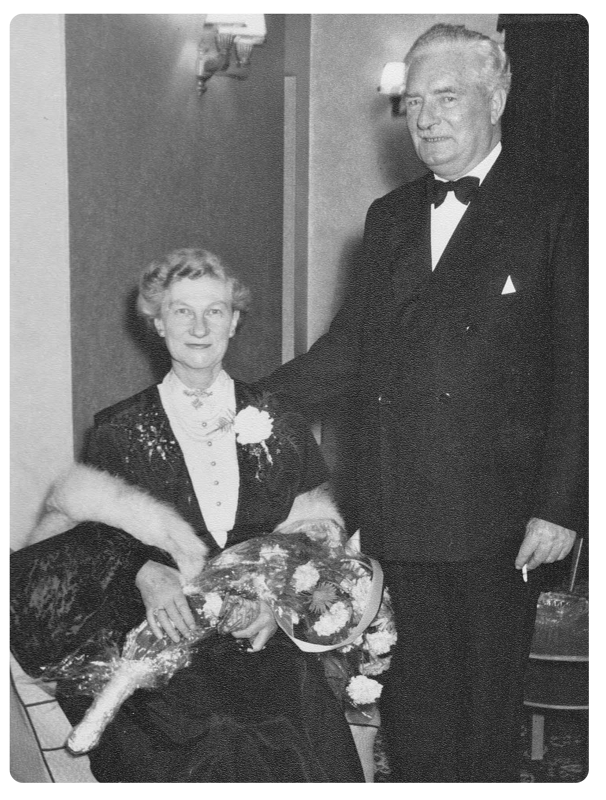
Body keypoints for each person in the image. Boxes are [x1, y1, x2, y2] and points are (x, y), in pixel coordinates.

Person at [256, 24, 588, 782]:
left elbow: (581, 366)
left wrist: (561, 504)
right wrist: (247, 398)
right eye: (414, 102)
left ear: (496, 99)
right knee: (414, 714)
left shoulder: (556, 209)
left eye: (447, 98)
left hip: (504, 519)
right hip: (401, 506)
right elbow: (350, 349)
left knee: (484, 720)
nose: (427, 119)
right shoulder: (391, 217)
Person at [10, 248, 365, 783]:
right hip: (162, 644)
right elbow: (85, 541)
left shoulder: (279, 418)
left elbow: (314, 538)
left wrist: (278, 609)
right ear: (158, 322)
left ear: (234, 321)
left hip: (262, 641)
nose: (199, 328)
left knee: (293, 739)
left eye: (215, 311)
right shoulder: (117, 429)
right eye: (182, 311)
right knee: (209, 742)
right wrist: (141, 571)